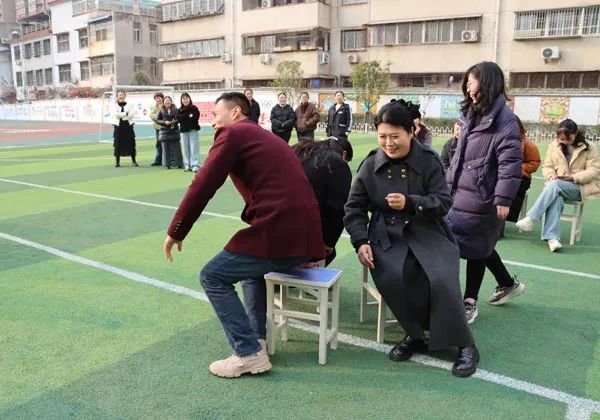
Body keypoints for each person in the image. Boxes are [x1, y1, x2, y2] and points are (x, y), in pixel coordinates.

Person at [163, 92, 324, 378]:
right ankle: (256, 340)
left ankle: (248, 353)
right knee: (251, 269)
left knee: (212, 276)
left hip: (280, 229)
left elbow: (203, 183)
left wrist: (176, 230)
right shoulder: (267, 137)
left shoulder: (234, 134)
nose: (213, 122)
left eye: (216, 115)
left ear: (236, 112)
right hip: (304, 234)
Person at [344, 100, 479, 378]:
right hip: (387, 234)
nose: (389, 143)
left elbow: (444, 202)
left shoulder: (428, 160)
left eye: (395, 136)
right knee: (397, 275)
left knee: (441, 277)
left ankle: (465, 344)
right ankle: (415, 335)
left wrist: (411, 202)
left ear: (411, 131)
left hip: (428, 229)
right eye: (383, 136)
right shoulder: (370, 164)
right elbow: (353, 208)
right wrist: (361, 241)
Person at [446, 61, 524, 325]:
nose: (468, 87)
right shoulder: (471, 113)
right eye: (467, 83)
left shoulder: (505, 120)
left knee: (477, 247)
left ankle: (469, 302)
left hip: (483, 194)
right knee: (475, 243)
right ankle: (507, 283)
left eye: (472, 82)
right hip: (460, 190)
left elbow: (510, 162)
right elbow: (460, 153)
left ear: (487, 83)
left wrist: (503, 197)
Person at [516, 119, 600, 252]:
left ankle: (531, 218)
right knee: (556, 196)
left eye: (569, 138)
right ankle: (552, 239)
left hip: (580, 187)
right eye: (562, 139)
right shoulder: (554, 145)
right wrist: (551, 175)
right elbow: (547, 166)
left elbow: (594, 170)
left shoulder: (590, 147)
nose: (565, 142)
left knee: (554, 186)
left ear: (576, 133)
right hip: (557, 186)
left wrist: (573, 177)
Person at [293, 137, 353, 266]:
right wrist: (329, 242)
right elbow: (337, 208)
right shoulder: (335, 163)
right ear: (344, 155)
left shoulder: (299, 150)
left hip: (273, 222)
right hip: (302, 233)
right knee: (324, 255)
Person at [505, 116, 541, 225]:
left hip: (521, 177)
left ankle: (506, 218)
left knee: (513, 186)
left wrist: (519, 168)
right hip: (502, 175)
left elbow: (535, 163)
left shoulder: (528, 144)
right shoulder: (497, 140)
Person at [111, 90, 137, 168]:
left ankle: (134, 161)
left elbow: (131, 115)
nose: (121, 96)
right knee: (118, 144)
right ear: (117, 96)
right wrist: (125, 113)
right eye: (119, 95)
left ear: (125, 96)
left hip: (128, 126)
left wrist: (123, 116)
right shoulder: (114, 105)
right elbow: (116, 115)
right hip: (118, 127)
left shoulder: (130, 105)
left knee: (131, 143)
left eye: (122, 95)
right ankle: (117, 162)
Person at [157, 96, 184, 170]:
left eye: (169, 100)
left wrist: (175, 121)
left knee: (177, 149)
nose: (167, 102)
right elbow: (158, 120)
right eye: (166, 100)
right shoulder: (161, 110)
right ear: (163, 102)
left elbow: (179, 118)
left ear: (171, 101)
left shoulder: (176, 109)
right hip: (164, 132)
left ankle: (180, 164)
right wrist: (164, 122)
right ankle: (167, 164)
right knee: (166, 150)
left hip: (174, 131)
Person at [177, 92, 201, 173]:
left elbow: (195, 118)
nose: (185, 100)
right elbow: (179, 119)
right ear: (181, 100)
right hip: (183, 131)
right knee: (185, 148)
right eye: (183, 99)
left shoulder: (194, 108)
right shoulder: (180, 110)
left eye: (187, 98)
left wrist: (185, 117)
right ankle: (187, 165)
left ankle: (195, 165)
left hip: (193, 130)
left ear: (190, 99)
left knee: (194, 147)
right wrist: (188, 116)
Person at [149, 92, 164, 166]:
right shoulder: (155, 106)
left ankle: (169, 160)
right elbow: (151, 115)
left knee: (167, 144)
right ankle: (158, 160)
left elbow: (165, 115)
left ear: (162, 98)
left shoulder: (165, 105)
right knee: (158, 144)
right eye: (156, 98)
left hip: (165, 127)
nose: (158, 99)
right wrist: (157, 116)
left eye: (159, 97)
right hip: (157, 128)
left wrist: (157, 116)